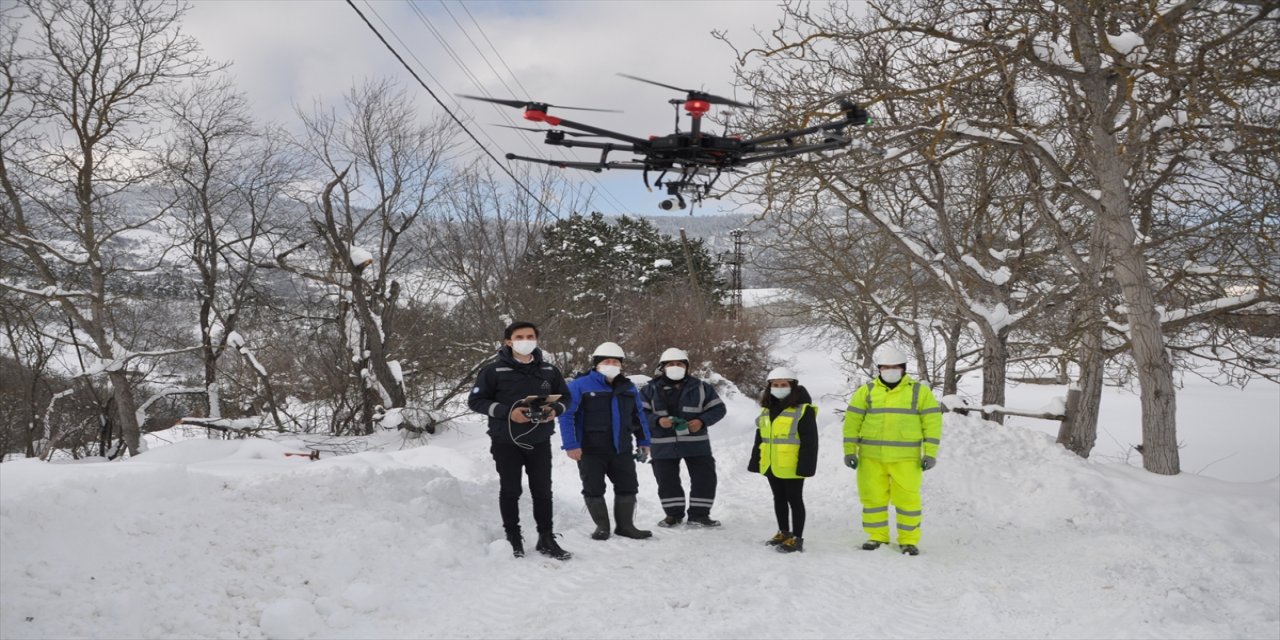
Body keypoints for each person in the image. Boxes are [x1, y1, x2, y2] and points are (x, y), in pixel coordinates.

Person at [467, 321, 573, 561]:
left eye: (530, 336)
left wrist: (556, 409)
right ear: (508, 341)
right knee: (511, 489)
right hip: (506, 441)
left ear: (536, 339)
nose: (525, 340)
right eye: (519, 336)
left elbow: (567, 397)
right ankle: (513, 537)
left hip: (540, 440)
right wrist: (508, 412)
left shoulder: (549, 370)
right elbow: (475, 401)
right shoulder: (493, 371)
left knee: (543, 491)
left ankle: (546, 538)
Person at [841, 346, 942, 556]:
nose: (890, 370)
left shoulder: (919, 391)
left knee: (907, 501)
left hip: (906, 459)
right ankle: (877, 536)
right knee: (872, 499)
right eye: (886, 367)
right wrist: (849, 450)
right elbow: (852, 422)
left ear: (903, 369)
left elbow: (932, 422)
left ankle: (908, 540)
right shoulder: (866, 391)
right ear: (879, 369)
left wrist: (930, 453)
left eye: (895, 367)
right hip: (870, 458)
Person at [558, 342, 654, 541]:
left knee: (628, 486)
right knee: (593, 488)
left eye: (616, 361)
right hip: (590, 450)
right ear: (596, 364)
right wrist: (571, 445)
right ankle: (602, 526)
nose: (611, 364)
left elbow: (638, 416)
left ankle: (626, 526)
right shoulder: (579, 385)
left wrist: (644, 440)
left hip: (622, 448)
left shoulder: (628, 388)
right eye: (606, 361)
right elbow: (567, 415)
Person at [639, 347, 727, 527]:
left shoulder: (702, 387)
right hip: (663, 444)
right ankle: (673, 515)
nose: (675, 367)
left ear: (687, 367)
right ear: (662, 367)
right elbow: (638, 414)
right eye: (671, 364)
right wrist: (657, 421)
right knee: (666, 480)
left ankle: (699, 515)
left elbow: (719, 409)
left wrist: (701, 421)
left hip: (696, 444)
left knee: (705, 478)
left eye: (679, 364)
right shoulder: (649, 390)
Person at [748, 367, 818, 553]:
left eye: (783, 385)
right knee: (778, 498)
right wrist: (755, 461)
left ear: (793, 387)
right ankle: (783, 532)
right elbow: (760, 438)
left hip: (792, 465)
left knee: (795, 500)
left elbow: (810, 441)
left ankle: (797, 538)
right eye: (775, 385)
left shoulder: (803, 410)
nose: (779, 388)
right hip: (772, 464)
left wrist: (806, 467)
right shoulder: (766, 411)